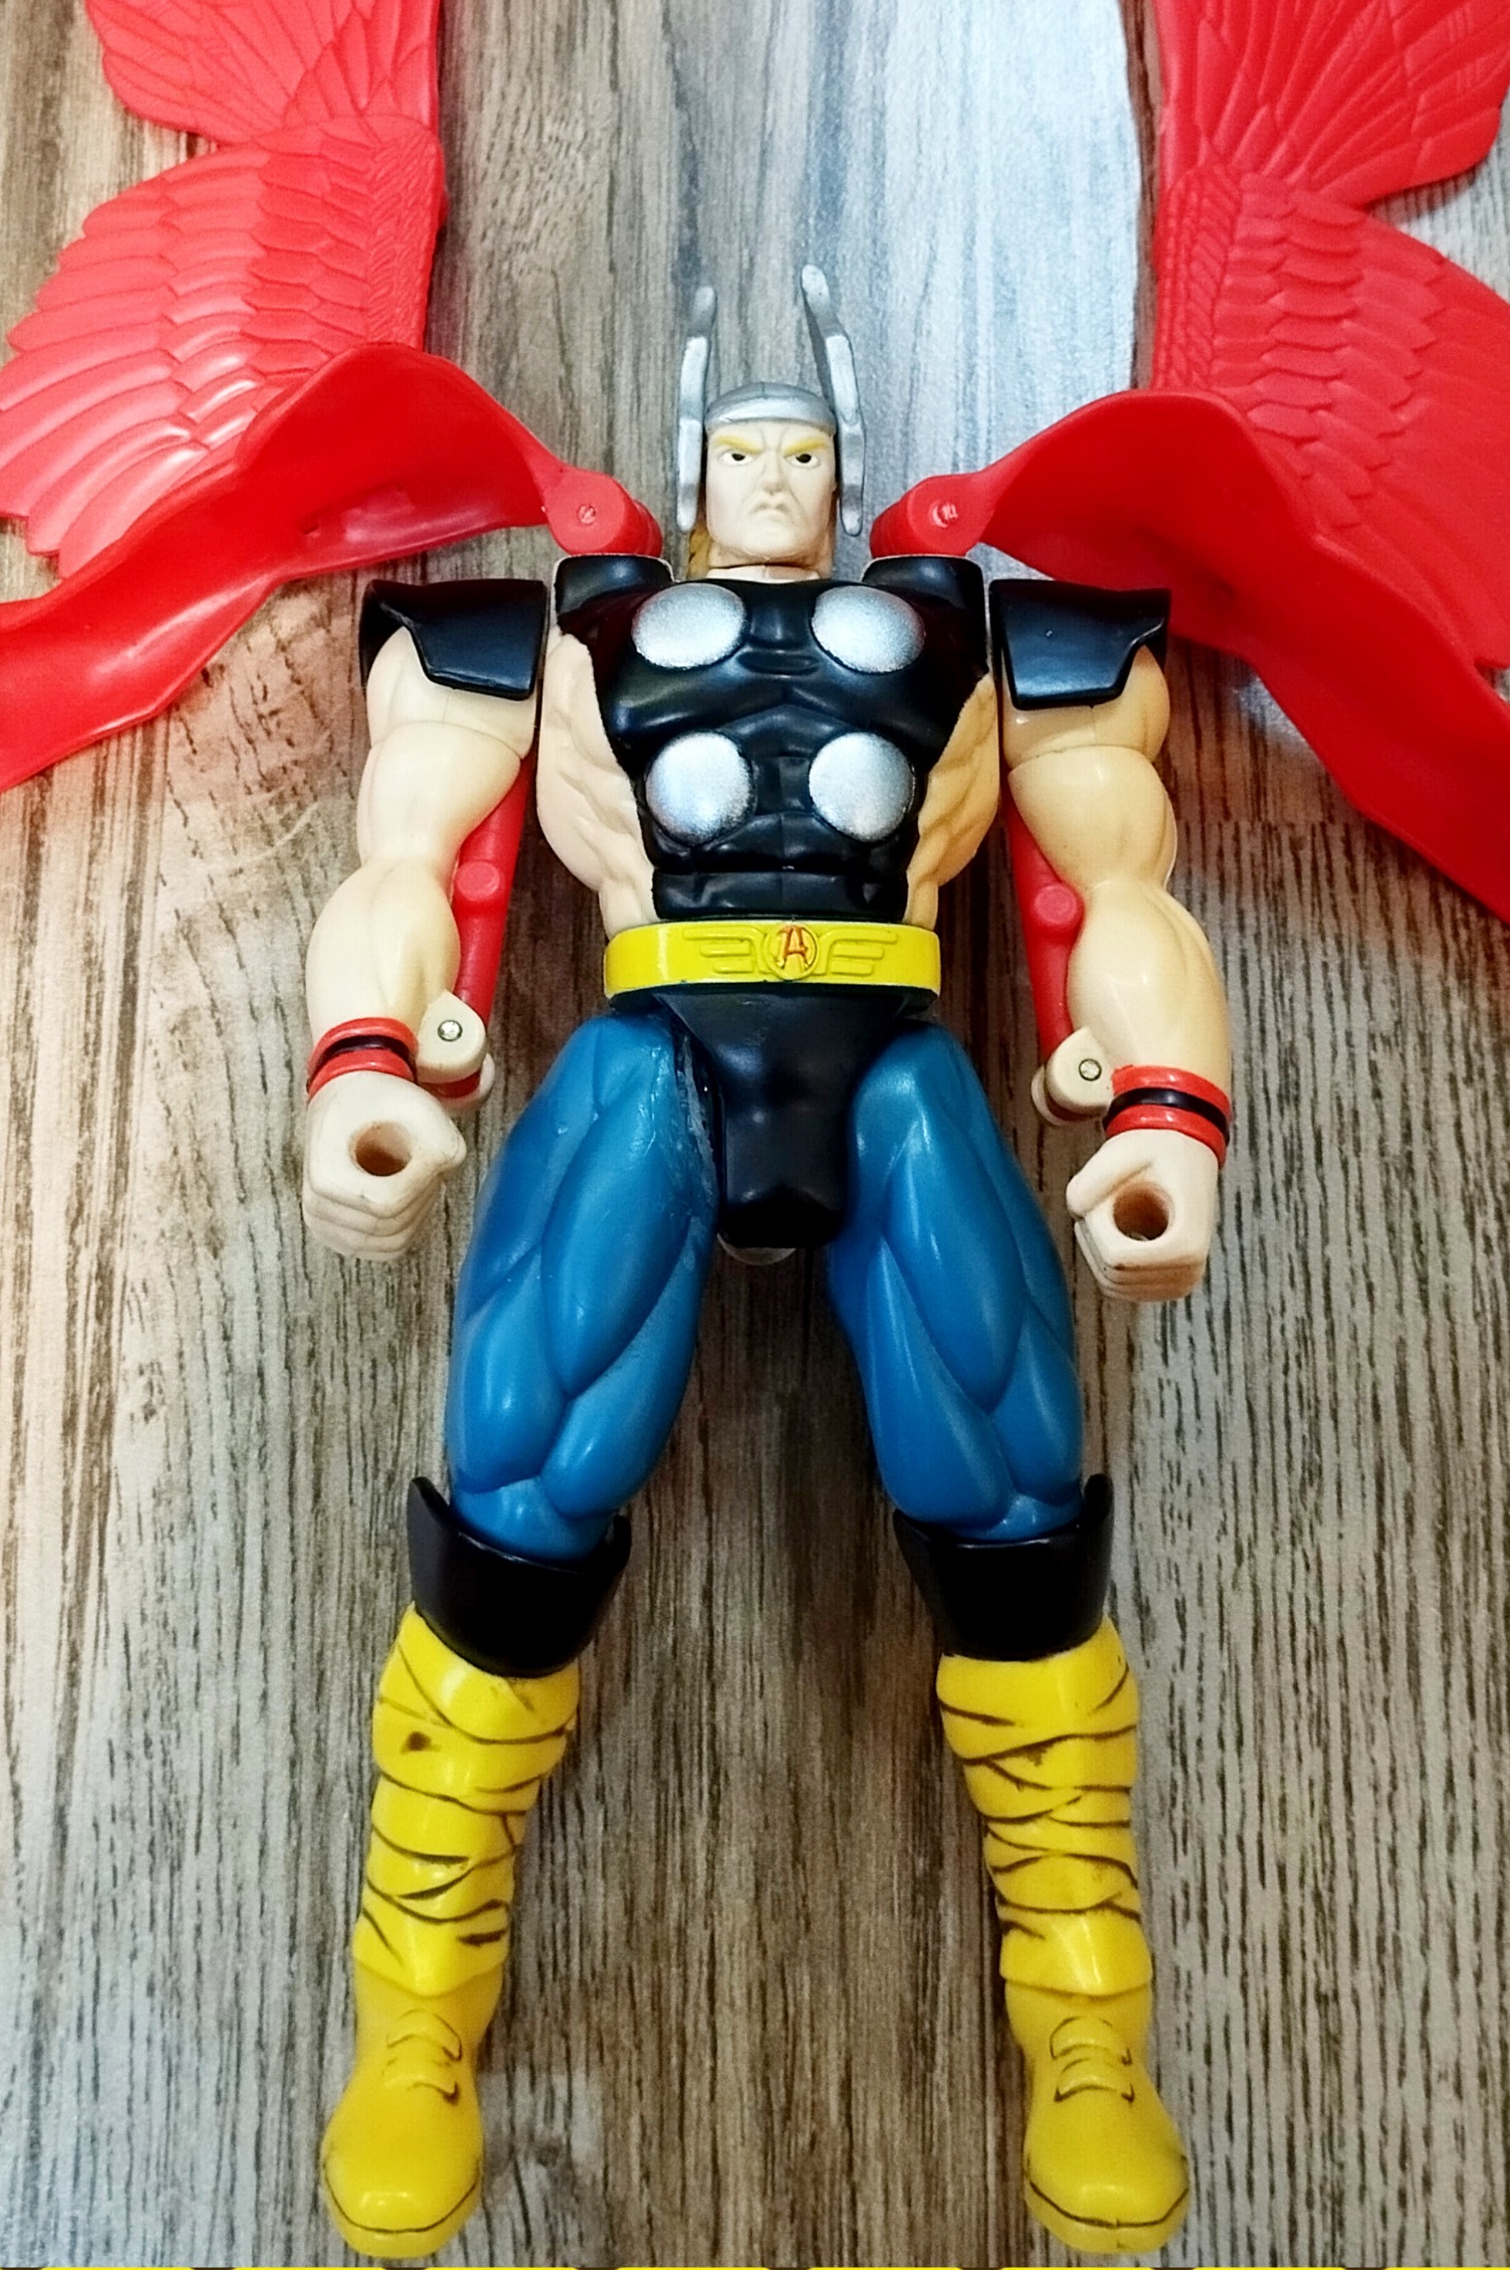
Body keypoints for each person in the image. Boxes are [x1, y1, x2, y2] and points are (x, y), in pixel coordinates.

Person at [303, 276, 1232, 2259]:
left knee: (1010, 1475)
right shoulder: (554, 635)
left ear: (849, 464)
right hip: (651, 1045)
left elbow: (1119, 869)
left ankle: (1088, 2009)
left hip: (891, 1059)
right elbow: (404, 855)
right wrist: (364, 1064)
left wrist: (1166, 1106)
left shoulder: (990, 640)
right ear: (687, 459)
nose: (777, 471)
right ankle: (413, 2000)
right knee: (524, 1452)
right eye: (745, 445)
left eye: (804, 446)